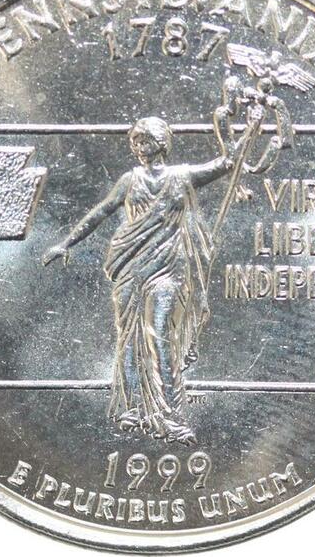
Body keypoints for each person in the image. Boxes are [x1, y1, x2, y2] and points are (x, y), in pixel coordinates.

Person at [43, 78, 261, 445]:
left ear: (161, 143)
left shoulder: (182, 176)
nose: (139, 148)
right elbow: (101, 211)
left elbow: (226, 163)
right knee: (128, 336)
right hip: (130, 265)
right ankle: (131, 408)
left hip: (167, 268)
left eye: (145, 141)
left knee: (160, 334)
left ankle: (169, 414)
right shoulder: (130, 180)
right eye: (135, 142)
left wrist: (251, 128)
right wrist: (66, 243)